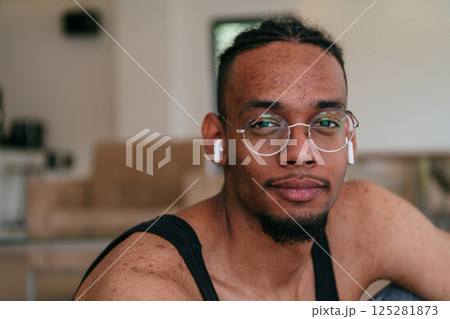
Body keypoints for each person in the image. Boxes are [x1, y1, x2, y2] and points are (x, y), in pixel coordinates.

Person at [74, 16, 450, 301]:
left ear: (348, 136)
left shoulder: (366, 217)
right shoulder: (145, 290)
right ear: (217, 140)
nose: (301, 153)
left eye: (325, 122)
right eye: (266, 123)